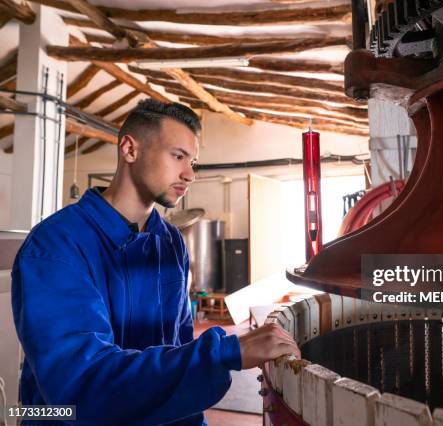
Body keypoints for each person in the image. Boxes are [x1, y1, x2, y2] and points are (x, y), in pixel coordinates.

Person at [11, 99, 300, 425]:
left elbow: (178, 345)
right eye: (178, 156)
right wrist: (224, 352)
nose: (190, 174)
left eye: (193, 161)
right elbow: (81, 386)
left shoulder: (171, 242)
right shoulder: (56, 245)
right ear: (130, 149)